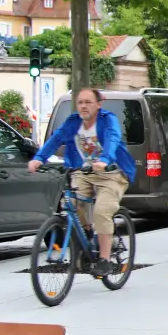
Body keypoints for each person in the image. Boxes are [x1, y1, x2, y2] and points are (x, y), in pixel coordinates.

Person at [28, 88, 136, 276]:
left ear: (98, 104)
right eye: (80, 102)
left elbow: (112, 138)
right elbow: (56, 139)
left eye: (88, 102)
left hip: (112, 172)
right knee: (71, 204)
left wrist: (105, 159)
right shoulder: (73, 122)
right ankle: (86, 235)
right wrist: (39, 158)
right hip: (84, 171)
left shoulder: (107, 120)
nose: (83, 106)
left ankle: (104, 259)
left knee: (102, 211)